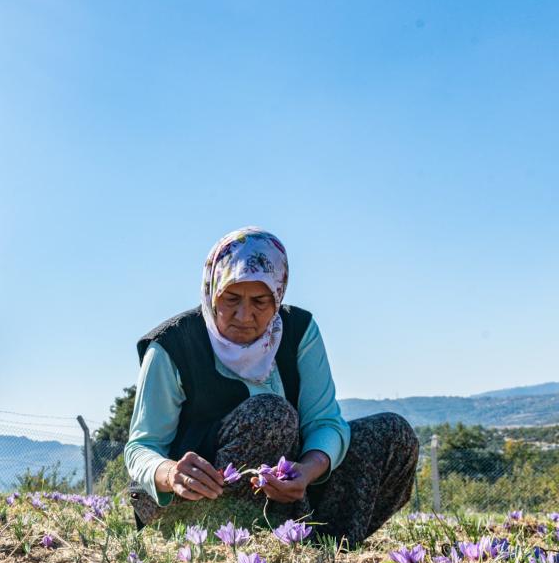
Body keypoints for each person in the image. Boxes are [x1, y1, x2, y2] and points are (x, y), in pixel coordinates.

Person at [124, 227, 417, 546]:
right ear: (212, 291)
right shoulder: (174, 345)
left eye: (260, 301)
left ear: (278, 295)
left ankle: (316, 544)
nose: (244, 315)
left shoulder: (299, 333)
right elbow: (141, 448)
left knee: (393, 435)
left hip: (290, 494)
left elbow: (325, 422)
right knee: (271, 415)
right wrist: (170, 473)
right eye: (231, 298)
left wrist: (306, 471)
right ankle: (221, 542)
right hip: (190, 501)